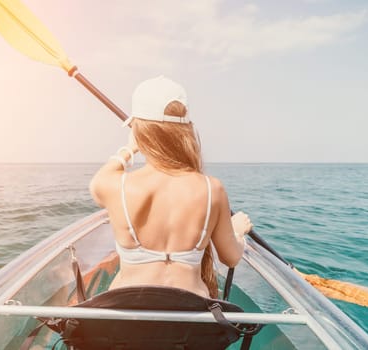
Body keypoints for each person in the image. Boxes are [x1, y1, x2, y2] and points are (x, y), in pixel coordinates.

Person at [89, 76, 252, 298]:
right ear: (186, 131)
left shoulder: (120, 186)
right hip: (188, 322)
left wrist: (129, 149)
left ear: (138, 130)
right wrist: (237, 231)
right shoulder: (212, 189)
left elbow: (100, 179)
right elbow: (231, 257)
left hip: (126, 319)